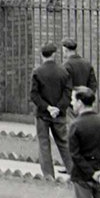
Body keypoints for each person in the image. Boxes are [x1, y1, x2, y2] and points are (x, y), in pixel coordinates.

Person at [29, 42, 72, 179]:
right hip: (59, 114)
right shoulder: (64, 72)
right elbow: (67, 93)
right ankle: (74, 172)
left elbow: (34, 95)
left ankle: (48, 175)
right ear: (54, 54)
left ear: (42, 55)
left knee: (44, 144)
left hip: (42, 114)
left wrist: (47, 107)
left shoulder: (37, 72)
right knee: (64, 143)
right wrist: (58, 108)